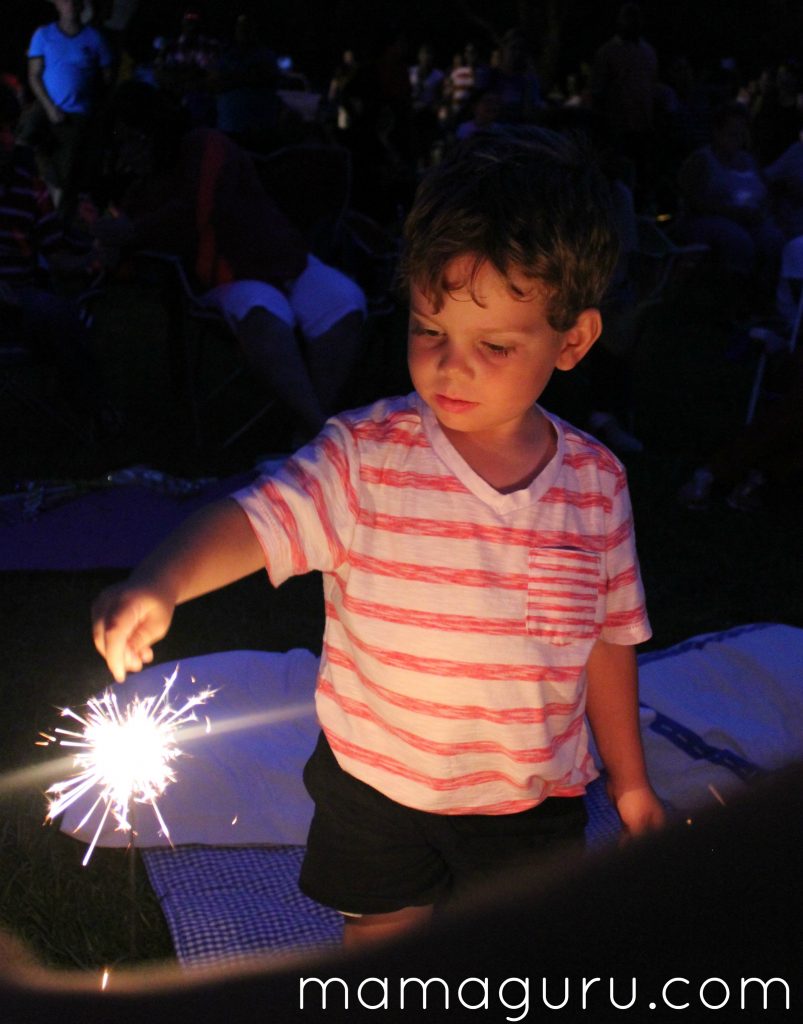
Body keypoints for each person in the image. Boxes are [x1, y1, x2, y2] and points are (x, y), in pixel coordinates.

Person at [91, 128, 665, 951]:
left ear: (571, 341)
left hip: (528, 803)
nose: (449, 367)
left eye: (493, 346)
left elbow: (607, 640)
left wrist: (633, 781)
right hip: (377, 790)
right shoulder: (366, 458)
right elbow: (257, 519)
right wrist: (164, 580)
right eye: (430, 330)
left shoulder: (596, 485)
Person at [92, 86, 366, 436]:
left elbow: (198, 210)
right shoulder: (138, 193)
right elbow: (140, 259)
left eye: (130, 140)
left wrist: (132, 230)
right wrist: (114, 246)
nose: (126, 154)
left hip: (282, 257)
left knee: (344, 302)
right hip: (228, 276)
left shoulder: (204, 146)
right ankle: (319, 430)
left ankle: (308, 429)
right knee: (263, 312)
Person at [20, 0, 114, 214]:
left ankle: (58, 222)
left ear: (82, 6)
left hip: (78, 114)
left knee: (66, 174)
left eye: (74, 1)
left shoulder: (94, 38)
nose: (69, 5)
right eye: (64, 1)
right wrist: (50, 107)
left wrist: (91, 96)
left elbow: (107, 74)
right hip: (46, 109)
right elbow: (34, 75)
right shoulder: (43, 35)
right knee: (26, 145)